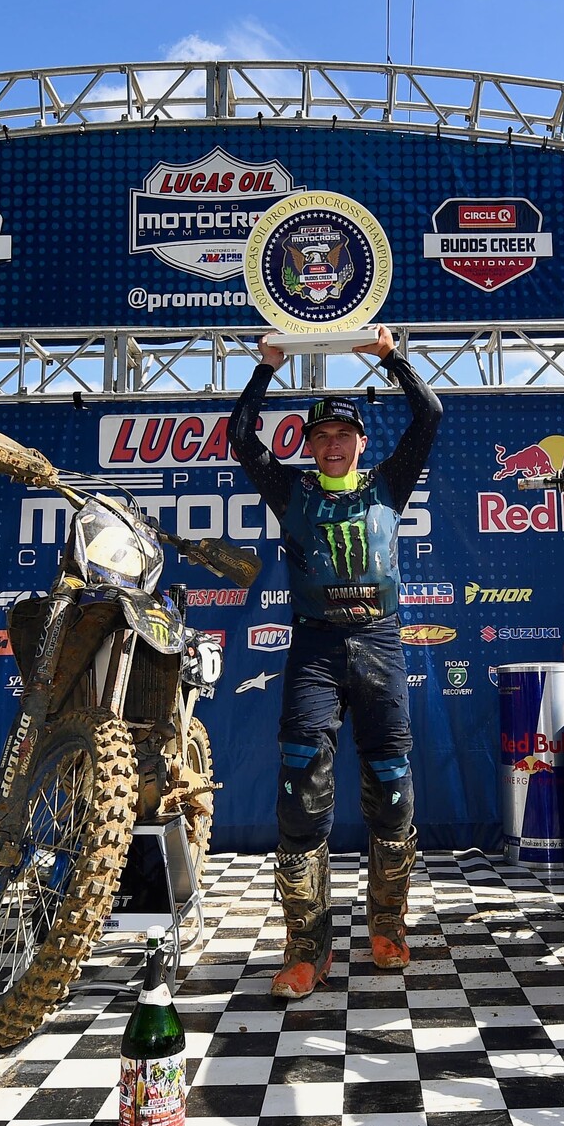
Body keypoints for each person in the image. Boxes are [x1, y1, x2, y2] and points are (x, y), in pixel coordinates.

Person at [230, 325, 440, 998]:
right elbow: (240, 438)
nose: (331, 444)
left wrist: (392, 359)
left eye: (342, 433)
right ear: (308, 444)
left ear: (360, 440)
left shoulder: (388, 485)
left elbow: (429, 415)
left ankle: (388, 926)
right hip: (316, 648)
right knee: (300, 788)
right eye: (320, 435)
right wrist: (266, 369)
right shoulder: (291, 491)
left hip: (379, 644)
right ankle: (305, 948)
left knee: (392, 785)